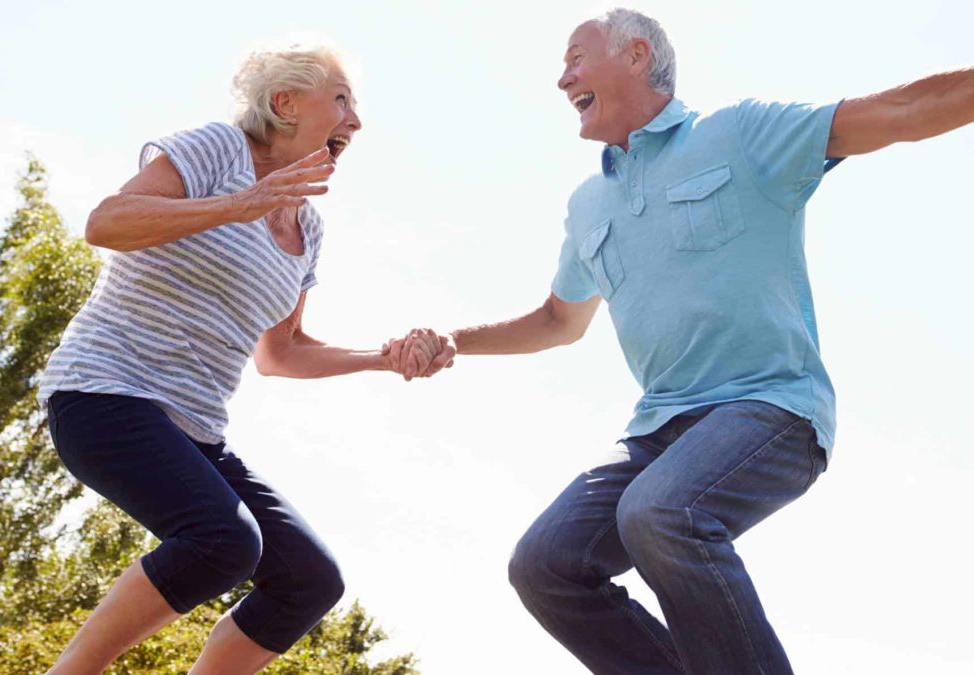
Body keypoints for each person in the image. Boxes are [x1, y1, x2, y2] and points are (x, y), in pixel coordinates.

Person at [391, 8, 974, 674]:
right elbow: (559, 320)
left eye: (576, 58)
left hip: (771, 407)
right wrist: (453, 340)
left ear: (636, 55)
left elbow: (898, 112)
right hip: (660, 430)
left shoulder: (740, 135)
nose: (561, 79)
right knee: (546, 562)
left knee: (659, 511)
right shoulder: (588, 205)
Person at [36, 44, 441, 675]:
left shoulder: (308, 228)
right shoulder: (218, 150)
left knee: (307, 580)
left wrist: (382, 359)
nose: (355, 121)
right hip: (103, 394)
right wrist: (236, 205)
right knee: (224, 542)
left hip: (195, 429)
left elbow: (282, 353)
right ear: (284, 104)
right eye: (341, 101)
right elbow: (106, 222)